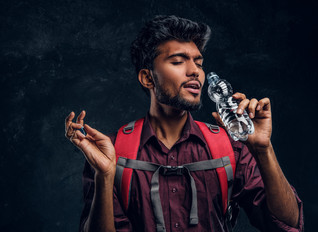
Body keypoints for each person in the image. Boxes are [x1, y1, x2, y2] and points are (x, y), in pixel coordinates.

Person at [65, 15, 304, 232]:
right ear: (148, 78)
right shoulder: (112, 152)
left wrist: (264, 150)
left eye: (199, 63)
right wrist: (105, 176)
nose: (195, 72)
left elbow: (288, 226)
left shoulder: (230, 147)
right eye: (178, 61)